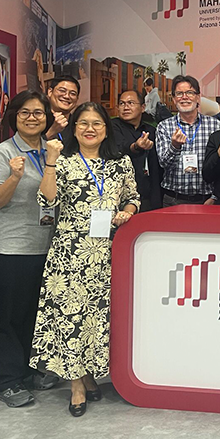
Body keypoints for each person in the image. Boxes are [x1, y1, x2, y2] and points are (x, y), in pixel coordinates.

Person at [30, 102, 139, 417]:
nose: (90, 129)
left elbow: (133, 196)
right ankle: (76, 384)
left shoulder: (120, 163)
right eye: (83, 123)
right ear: (73, 127)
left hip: (108, 251)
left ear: (106, 129)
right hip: (70, 252)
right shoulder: (62, 162)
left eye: (97, 123)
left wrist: (127, 212)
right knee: (70, 317)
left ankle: (89, 373)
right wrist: (50, 161)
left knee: (96, 319)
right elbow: (47, 200)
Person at [0, 90, 59, 408]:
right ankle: (9, 380)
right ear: (13, 117)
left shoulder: (53, 151)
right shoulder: (1, 154)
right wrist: (14, 176)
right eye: (25, 112)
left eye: (39, 113)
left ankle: (30, 370)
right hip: (11, 248)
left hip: (46, 245)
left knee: (35, 314)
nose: (32, 118)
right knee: (10, 317)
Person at [155, 75, 220, 206]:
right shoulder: (164, 127)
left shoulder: (214, 125)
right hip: (173, 200)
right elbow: (164, 164)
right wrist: (174, 147)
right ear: (174, 99)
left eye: (190, 93)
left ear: (198, 97)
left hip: (206, 200)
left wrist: (215, 196)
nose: (184, 97)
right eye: (179, 93)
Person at [112, 90, 162, 211]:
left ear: (143, 107)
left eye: (131, 103)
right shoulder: (112, 127)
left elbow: (156, 167)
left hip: (147, 196)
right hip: (119, 197)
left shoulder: (151, 130)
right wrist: (136, 146)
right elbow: (119, 148)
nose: (126, 107)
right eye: (122, 103)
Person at [45, 76, 81, 140]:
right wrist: (51, 132)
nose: (67, 96)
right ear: (50, 92)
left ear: (77, 99)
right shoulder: (38, 120)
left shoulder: (78, 124)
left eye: (72, 94)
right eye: (62, 90)